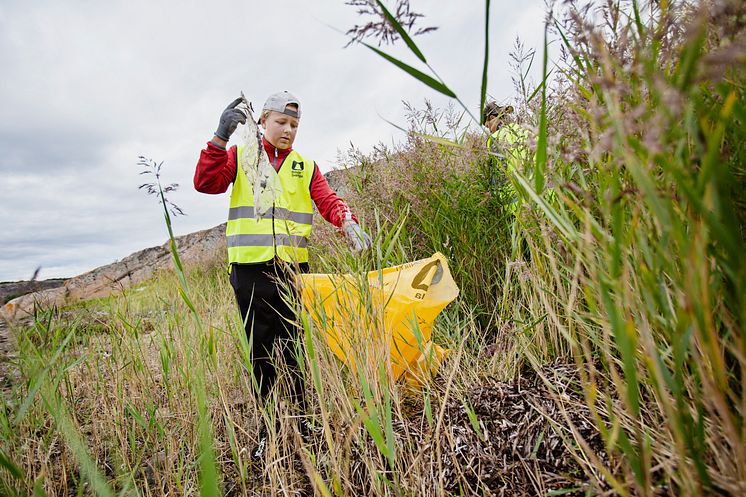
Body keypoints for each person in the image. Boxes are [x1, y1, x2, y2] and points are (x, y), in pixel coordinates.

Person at [194, 91, 371, 458]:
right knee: (261, 352)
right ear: (262, 121)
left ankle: (303, 421)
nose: (288, 130)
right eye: (281, 122)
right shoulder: (242, 156)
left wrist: (347, 222)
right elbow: (205, 183)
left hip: (293, 272)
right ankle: (269, 429)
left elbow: (327, 200)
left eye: (294, 124)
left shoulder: (304, 167)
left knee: (294, 349)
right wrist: (219, 137)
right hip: (250, 271)